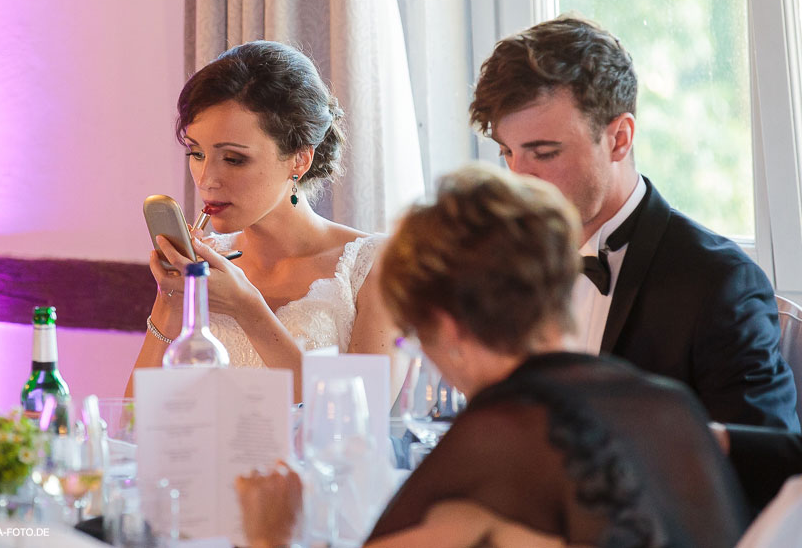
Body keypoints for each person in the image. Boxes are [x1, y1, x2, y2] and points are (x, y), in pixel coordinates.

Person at [237, 164, 749, 547]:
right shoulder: (668, 405)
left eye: (419, 333)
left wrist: (272, 535)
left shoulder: (502, 435)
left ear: (450, 328)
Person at [468, 16, 799, 430]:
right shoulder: (504, 268)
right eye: (507, 153)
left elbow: (773, 460)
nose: (520, 178)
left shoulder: (717, 283)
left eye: (545, 153)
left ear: (619, 139)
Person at [130, 41, 402, 400]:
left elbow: (364, 422)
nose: (207, 179)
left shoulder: (375, 265)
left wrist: (249, 311)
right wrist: (170, 302)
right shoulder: (203, 268)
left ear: (299, 160)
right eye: (196, 153)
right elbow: (133, 425)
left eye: (233, 159)